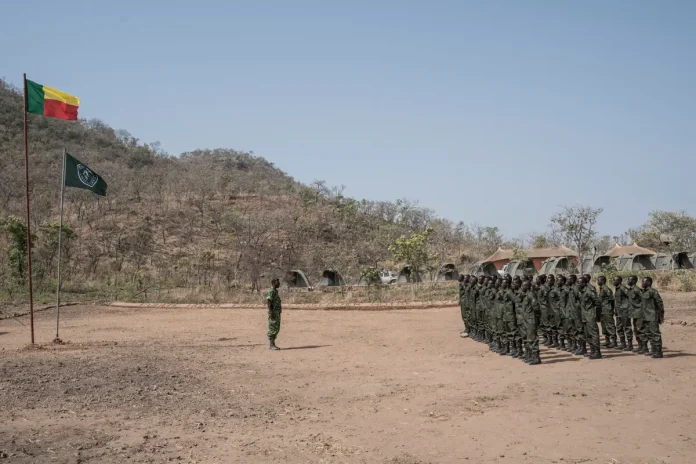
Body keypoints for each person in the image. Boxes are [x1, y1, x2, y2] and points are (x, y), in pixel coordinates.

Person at [641, 276, 665, 358]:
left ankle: (659, 352)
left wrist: (661, 315)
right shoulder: (644, 292)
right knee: (648, 333)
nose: (641, 283)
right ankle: (653, 350)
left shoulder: (653, 292)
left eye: (643, 282)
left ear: (648, 283)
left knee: (655, 334)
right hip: (646, 316)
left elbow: (659, 303)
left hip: (652, 316)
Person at [578, 276, 602, 359]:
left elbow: (598, 303)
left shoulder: (589, 291)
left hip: (590, 316)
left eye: (579, 282)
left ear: (584, 283)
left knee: (594, 334)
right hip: (584, 316)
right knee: (587, 335)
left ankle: (597, 352)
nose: (578, 284)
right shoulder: (581, 292)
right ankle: (592, 351)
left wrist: (597, 315)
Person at [520, 281, 541, 365]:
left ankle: (536, 357)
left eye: (523, 285)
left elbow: (536, 307)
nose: (521, 286)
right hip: (526, 319)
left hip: (531, 319)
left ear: (527, 286)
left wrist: (535, 318)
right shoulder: (525, 295)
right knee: (528, 338)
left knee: (533, 338)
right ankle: (531, 356)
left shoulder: (530, 295)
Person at [626, 275, 646, 354]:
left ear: (634, 281)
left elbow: (644, 300)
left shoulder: (637, 290)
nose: (627, 281)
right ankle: (640, 346)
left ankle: (645, 348)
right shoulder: (630, 290)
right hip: (634, 313)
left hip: (640, 313)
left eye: (629, 279)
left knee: (641, 330)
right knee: (636, 331)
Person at [567, 274, 585, 356]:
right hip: (572, 313)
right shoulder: (570, 289)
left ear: (573, 280)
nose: (567, 280)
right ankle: (578, 346)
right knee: (575, 331)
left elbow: (581, 300)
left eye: (569, 279)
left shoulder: (575, 289)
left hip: (577, 313)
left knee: (580, 330)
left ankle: (583, 347)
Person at [597, 276, 617, 348]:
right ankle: (607, 340)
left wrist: (611, 309)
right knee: (604, 326)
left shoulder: (606, 289)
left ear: (602, 281)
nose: (597, 282)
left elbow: (612, 300)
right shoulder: (601, 289)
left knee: (610, 326)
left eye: (598, 280)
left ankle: (614, 341)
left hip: (607, 310)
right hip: (602, 310)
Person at [613, 276, 632, 351]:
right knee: (619, 328)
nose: (613, 281)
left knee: (627, 328)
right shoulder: (617, 288)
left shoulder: (623, 288)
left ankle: (630, 345)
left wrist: (625, 306)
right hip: (618, 312)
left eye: (614, 280)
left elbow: (630, 297)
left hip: (624, 312)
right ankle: (622, 343)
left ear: (619, 281)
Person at [500, 279, 517, 356]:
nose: (502, 284)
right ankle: (506, 348)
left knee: (512, 332)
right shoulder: (503, 292)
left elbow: (515, 301)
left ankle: (514, 349)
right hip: (505, 315)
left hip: (510, 316)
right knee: (505, 332)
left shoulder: (509, 292)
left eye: (504, 283)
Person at [265, 278, 283, 350]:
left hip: (276, 312)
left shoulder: (275, 291)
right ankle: (271, 345)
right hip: (273, 312)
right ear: (273, 283)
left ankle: (273, 344)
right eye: (277, 283)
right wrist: (271, 312)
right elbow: (269, 302)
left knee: (276, 328)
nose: (279, 284)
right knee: (272, 327)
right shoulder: (271, 291)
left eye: (279, 282)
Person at [546, 275, 561, 348]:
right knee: (552, 327)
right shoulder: (548, 289)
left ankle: (561, 343)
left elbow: (560, 300)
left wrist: (558, 308)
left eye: (549, 280)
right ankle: (555, 342)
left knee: (559, 327)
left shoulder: (556, 289)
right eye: (547, 280)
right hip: (550, 311)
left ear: (552, 281)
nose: (547, 282)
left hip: (556, 311)